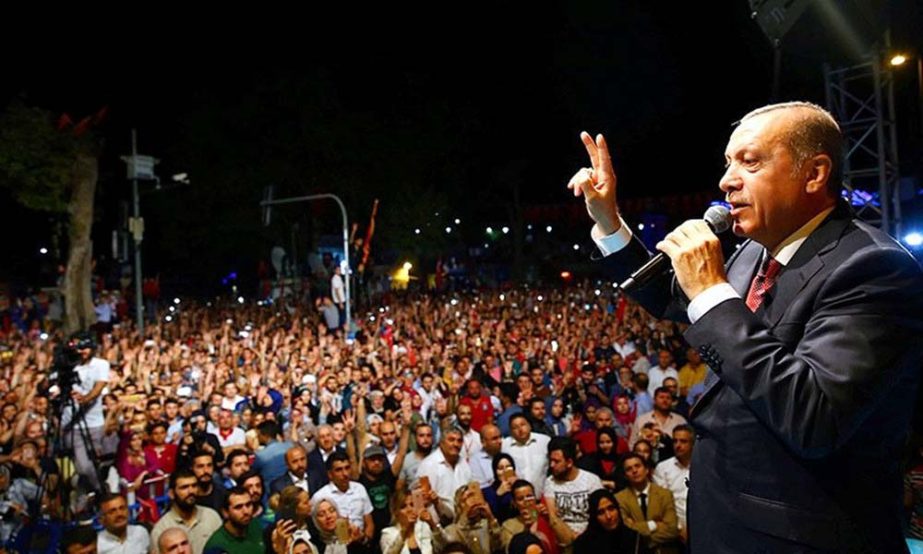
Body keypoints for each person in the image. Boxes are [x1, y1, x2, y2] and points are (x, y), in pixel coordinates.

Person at [570, 101, 923, 551]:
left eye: (749, 161)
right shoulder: (757, 252)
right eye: (727, 163)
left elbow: (814, 417)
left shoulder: (874, 268)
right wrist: (609, 222)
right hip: (727, 524)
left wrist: (714, 291)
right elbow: (675, 299)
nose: (726, 180)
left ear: (814, 174)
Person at [61, 331, 110, 492]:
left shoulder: (101, 364)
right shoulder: (67, 365)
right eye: (77, 347)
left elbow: (100, 385)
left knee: (94, 463)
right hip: (71, 423)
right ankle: (100, 491)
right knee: (82, 467)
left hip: (94, 423)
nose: (81, 351)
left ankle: (97, 493)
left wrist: (86, 398)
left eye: (85, 347)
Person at [614, 454, 679, 554]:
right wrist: (653, 525)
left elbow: (672, 529)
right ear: (625, 475)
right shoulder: (619, 499)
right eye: (629, 469)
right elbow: (624, 531)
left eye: (637, 466)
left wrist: (638, 532)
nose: (634, 471)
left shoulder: (665, 494)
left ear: (646, 470)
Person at [150, 468, 223, 554]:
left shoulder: (212, 517)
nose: (191, 491)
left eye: (194, 486)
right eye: (184, 487)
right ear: (171, 494)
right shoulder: (161, 529)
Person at [572, 489, 648, 554]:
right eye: (601, 512)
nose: (608, 516)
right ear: (594, 517)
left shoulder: (634, 539)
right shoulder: (583, 545)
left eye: (611, 509)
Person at [379, 487, 443, 554]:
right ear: (396, 512)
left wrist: (432, 524)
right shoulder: (388, 534)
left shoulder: (424, 527)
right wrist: (404, 531)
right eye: (403, 506)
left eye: (412, 505)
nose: (409, 509)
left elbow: (443, 546)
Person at [204, 486, 266, 553]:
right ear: (225, 513)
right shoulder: (216, 546)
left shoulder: (255, 524)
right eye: (238, 507)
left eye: (248, 505)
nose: (246, 511)